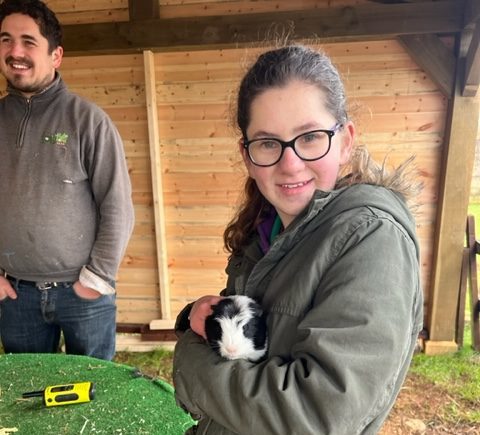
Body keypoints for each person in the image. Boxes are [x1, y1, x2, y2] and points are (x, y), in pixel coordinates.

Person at [173, 44, 424, 434]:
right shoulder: (264, 230)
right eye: (268, 143)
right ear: (247, 154)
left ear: (344, 141)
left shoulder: (372, 238)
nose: (290, 163)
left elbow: (317, 416)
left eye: (310, 137)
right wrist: (201, 317)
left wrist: (191, 360)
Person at [0, 0, 134, 361]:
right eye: (6, 40)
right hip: (15, 295)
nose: (15, 52)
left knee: (90, 395)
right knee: (27, 399)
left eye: (29, 42)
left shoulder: (88, 121)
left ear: (55, 55)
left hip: (82, 293)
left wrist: (95, 280)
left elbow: (117, 206)